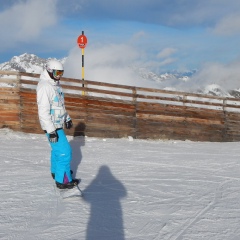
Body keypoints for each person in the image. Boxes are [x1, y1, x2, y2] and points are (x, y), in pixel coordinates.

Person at [36, 59, 79, 189]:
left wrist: (67, 118)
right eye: (57, 72)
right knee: (64, 152)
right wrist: (51, 130)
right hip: (52, 126)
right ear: (49, 71)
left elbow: (59, 105)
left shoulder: (55, 85)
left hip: (57, 124)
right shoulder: (45, 87)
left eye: (61, 72)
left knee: (57, 150)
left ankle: (57, 172)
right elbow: (43, 112)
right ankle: (63, 180)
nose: (59, 75)